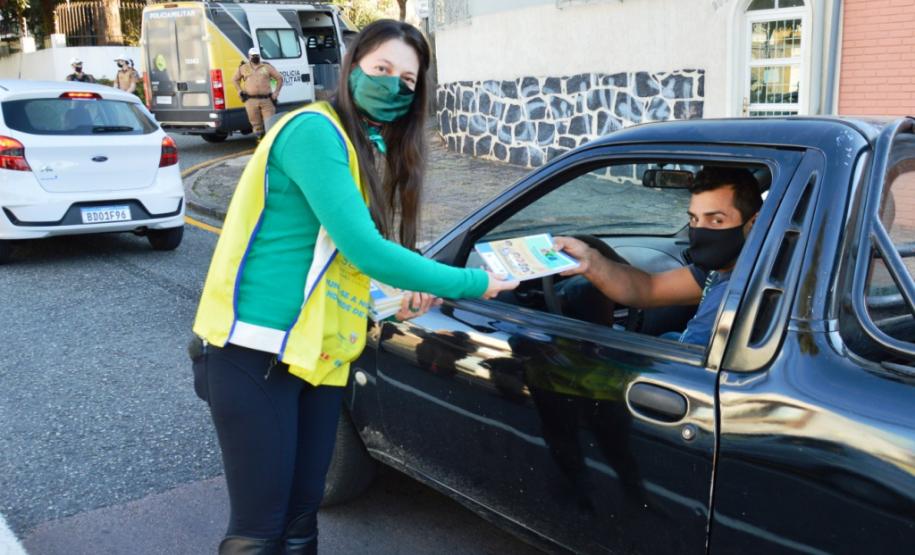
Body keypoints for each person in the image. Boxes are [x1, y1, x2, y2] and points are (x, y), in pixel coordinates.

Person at [192, 20, 518, 555]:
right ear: (352, 66)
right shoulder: (314, 132)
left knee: (301, 523)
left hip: (319, 354)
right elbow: (366, 249)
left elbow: (343, 259)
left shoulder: (366, 148)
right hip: (254, 351)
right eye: (382, 69)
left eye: (408, 80)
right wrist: (475, 282)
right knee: (259, 533)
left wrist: (396, 293)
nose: (393, 86)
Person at [554, 167, 762, 347]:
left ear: (754, 223)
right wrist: (590, 260)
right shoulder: (723, 268)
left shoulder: (739, 290)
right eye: (694, 219)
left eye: (716, 220)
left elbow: (690, 371)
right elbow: (650, 288)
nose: (699, 230)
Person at [233, 47, 283, 140]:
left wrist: (276, 92)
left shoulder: (266, 67)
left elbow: (279, 78)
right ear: (249, 56)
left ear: (259, 56)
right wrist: (239, 90)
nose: (255, 57)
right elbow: (235, 80)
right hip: (250, 100)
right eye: (253, 56)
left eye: (257, 55)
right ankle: (260, 140)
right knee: (256, 124)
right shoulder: (243, 68)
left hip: (267, 100)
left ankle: (271, 143)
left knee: (270, 123)